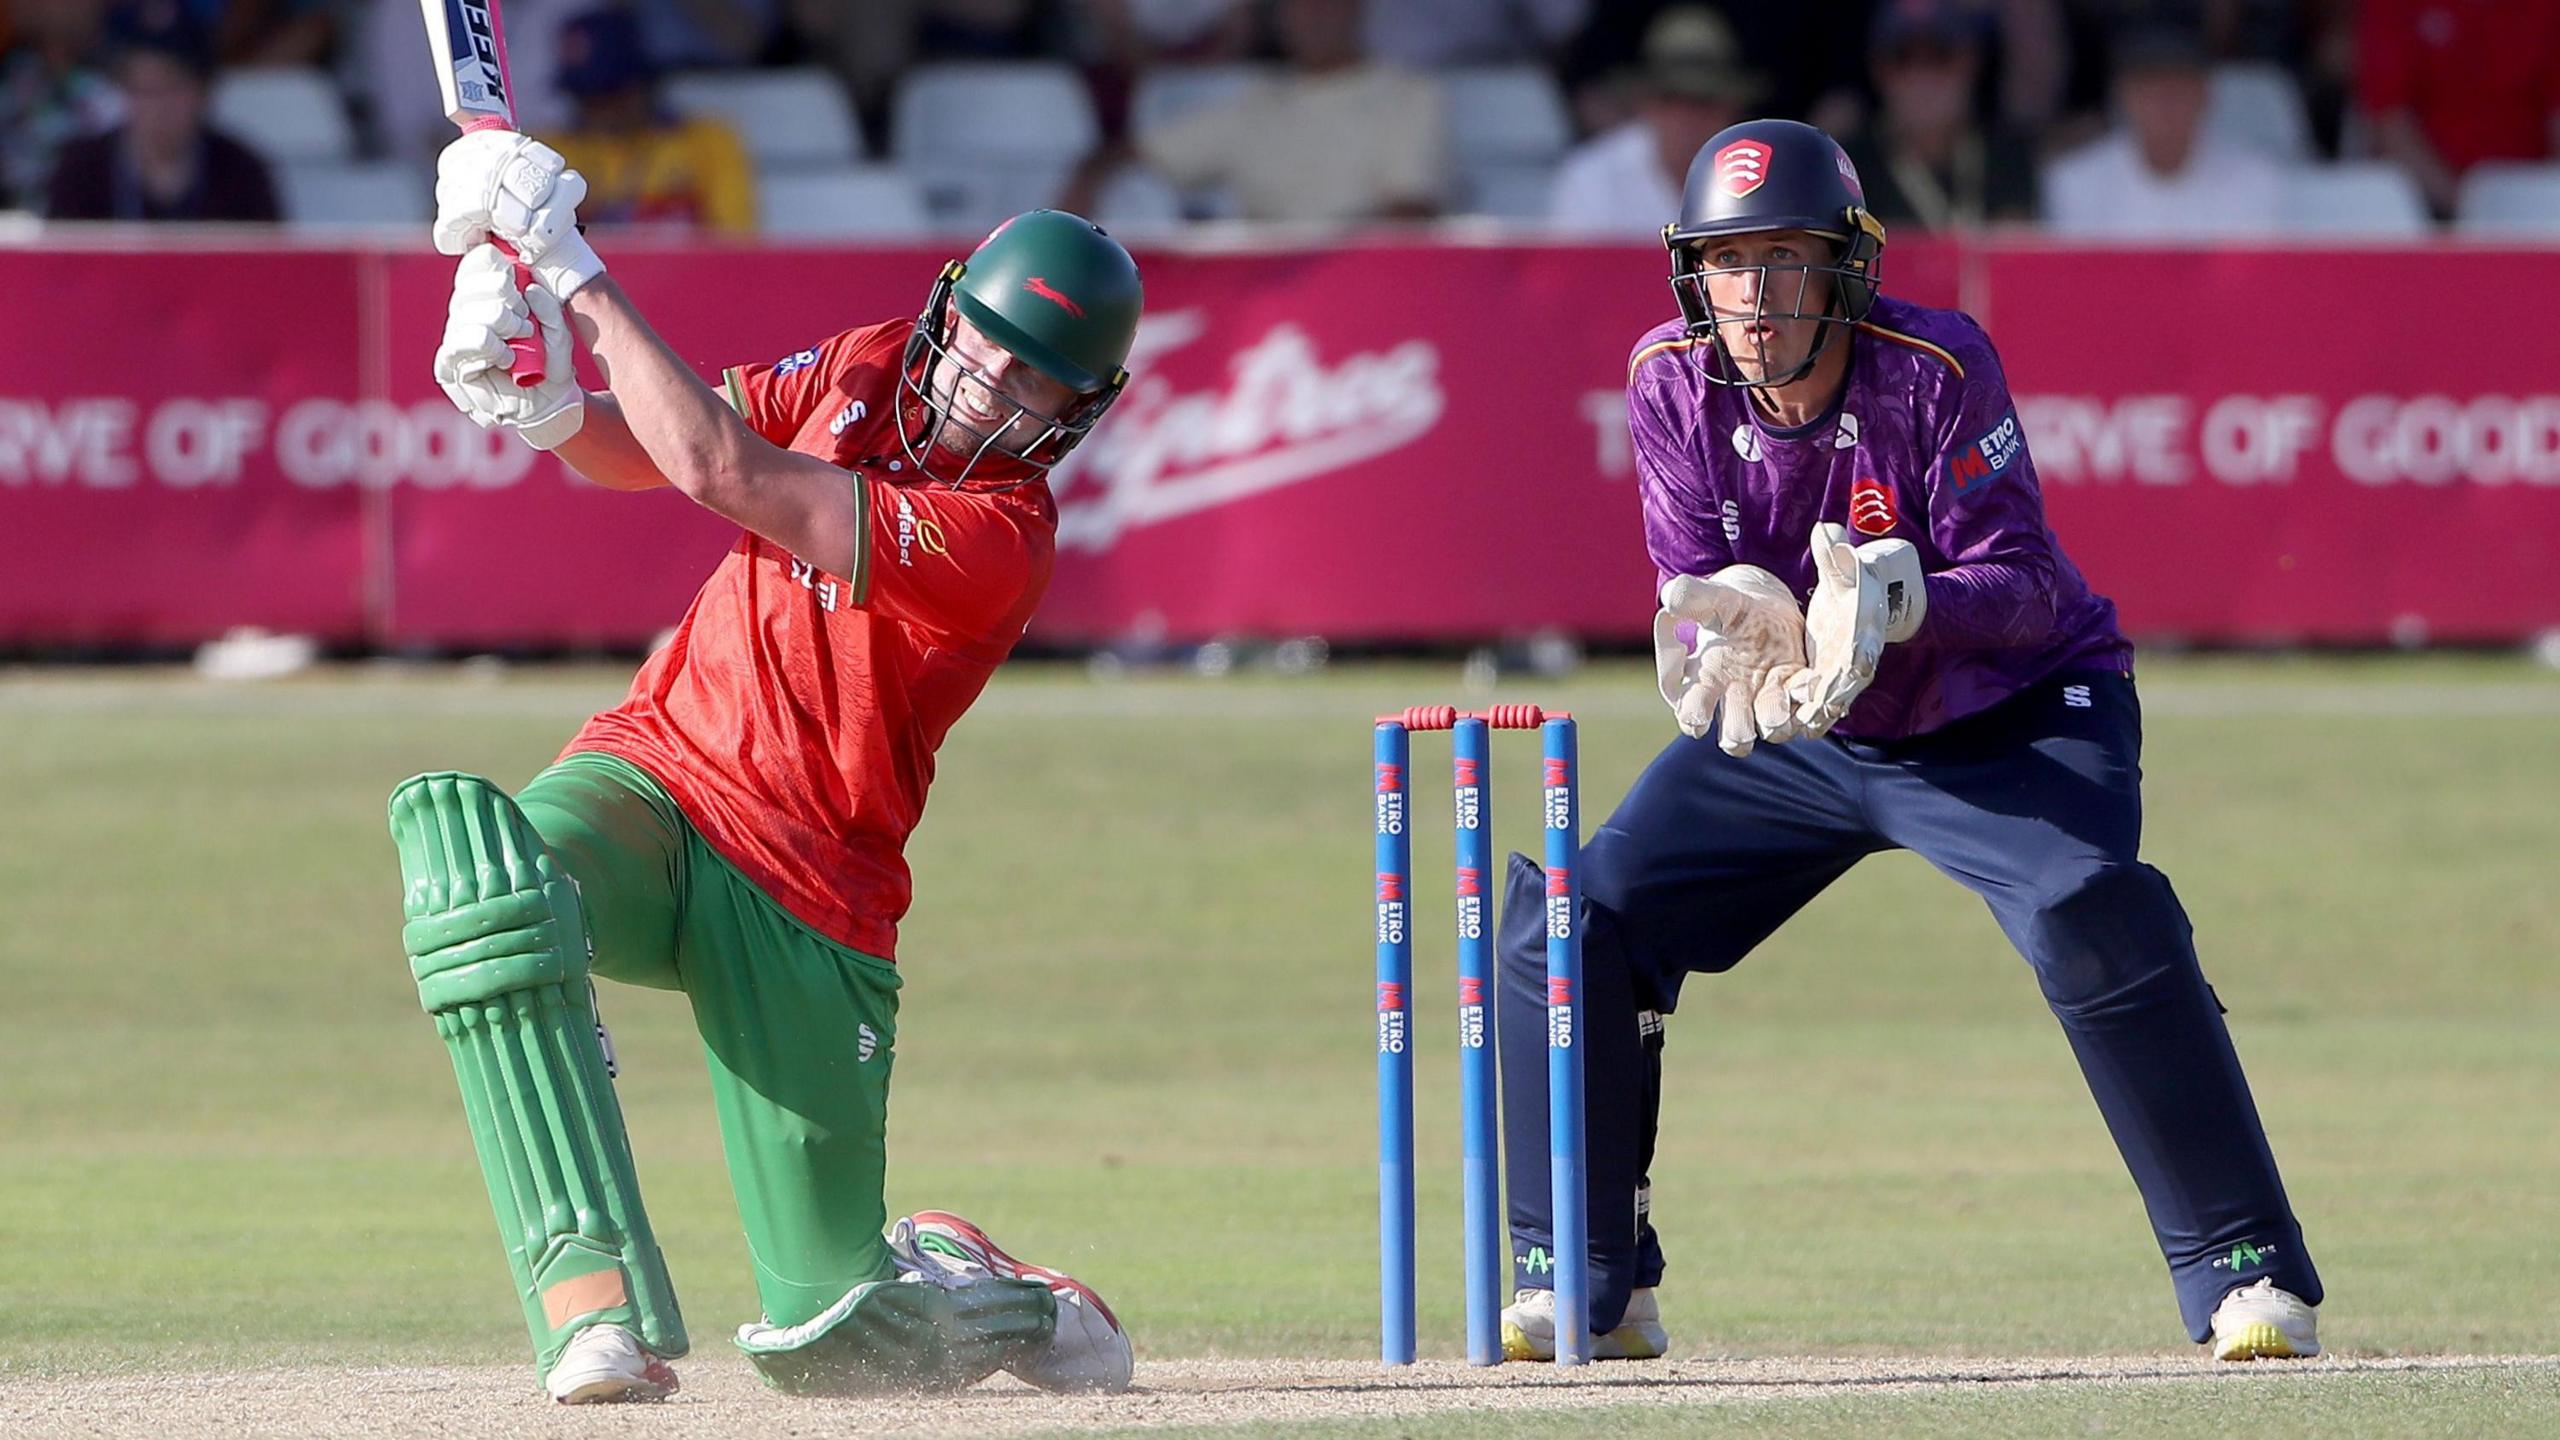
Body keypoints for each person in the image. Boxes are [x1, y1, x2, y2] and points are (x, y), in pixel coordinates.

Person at [1492, 117, 2323, 1367]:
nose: (1756, 298)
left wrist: (1905, 597)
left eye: (1786, 261)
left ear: (1846, 266)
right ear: (1690, 273)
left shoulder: (1933, 368)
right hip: (1804, 725)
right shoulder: (1667, 373)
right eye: (1728, 264)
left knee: (2092, 906)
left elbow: (2027, 583)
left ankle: (2243, 1272)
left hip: (2012, 712)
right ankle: (1586, 1273)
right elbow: (1689, 578)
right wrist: (1732, 632)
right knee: (1571, 920)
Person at [395, 129, 1145, 1402]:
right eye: (985, 353)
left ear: (1075, 416)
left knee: (840, 1346)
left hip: (812, 893)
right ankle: (591, 1304)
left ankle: (997, 1296)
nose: (987, 394)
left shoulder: (999, 540)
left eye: (1031, 389)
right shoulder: (860, 367)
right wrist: (549, 408)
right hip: (658, 780)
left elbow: (720, 470)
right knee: (489, 878)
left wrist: (572, 266)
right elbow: (647, 449)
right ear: (947, 313)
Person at [2040, 17, 2280, 239]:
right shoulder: (2076, 183)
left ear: (2205, 95)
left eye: (2178, 88)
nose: (2165, 102)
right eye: (2149, 88)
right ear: (2124, 97)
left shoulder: (2256, 181)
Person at [43, 0, 280, 223]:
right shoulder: (82, 172)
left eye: (172, 86)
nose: (157, 105)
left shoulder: (243, 174)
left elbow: (271, 261)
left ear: (204, 91)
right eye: (143, 88)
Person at [1545, 6, 1763, 237]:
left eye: (1703, 102)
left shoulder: (1765, 179)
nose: (1685, 117)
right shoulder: (1592, 178)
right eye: (1670, 99)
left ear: (1731, 108)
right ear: (1644, 104)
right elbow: (1575, 270)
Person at [542, 7, 757, 233]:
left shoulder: (708, 142)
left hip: (685, 269)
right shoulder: (550, 155)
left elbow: (736, 245)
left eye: (607, 92)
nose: (597, 109)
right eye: (583, 95)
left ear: (640, 83)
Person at [1837, 0, 2040, 231]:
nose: (1922, 77)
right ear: (1878, 69)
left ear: (1971, 62)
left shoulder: (2009, 158)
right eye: (1902, 58)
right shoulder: (1847, 170)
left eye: (1940, 56)